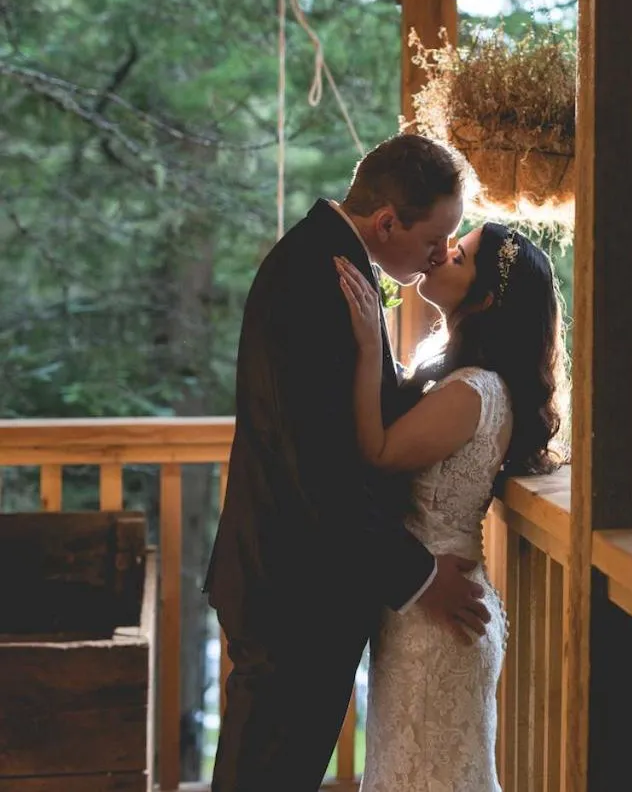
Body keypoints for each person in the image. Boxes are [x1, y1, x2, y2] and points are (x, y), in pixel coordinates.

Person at [205, 134, 492, 791]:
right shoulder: (317, 278)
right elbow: (322, 467)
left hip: (299, 582)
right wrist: (422, 576)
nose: (440, 254)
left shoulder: (331, 262)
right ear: (388, 221)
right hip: (293, 589)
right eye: (435, 238)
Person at [334, 220, 566, 791]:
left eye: (458, 256)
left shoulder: (474, 389)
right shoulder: (466, 378)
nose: (440, 254)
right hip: (427, 607)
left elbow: (380, 452)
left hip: (438, 621)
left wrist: (368, 344)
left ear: (485, 299)